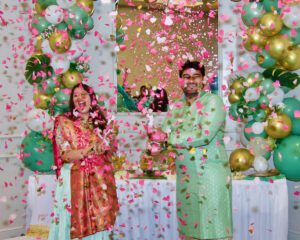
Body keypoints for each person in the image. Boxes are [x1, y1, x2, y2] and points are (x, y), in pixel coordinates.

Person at [159, 60, 233, 239]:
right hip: (186, 178)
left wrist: (167, 139)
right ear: (180, 80)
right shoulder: (176, 106)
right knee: (190, 229)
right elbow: (164, 131)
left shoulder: (214, 101)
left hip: (210, 173)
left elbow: (204, 134)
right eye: (186, 77)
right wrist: (155, 142)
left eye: (196, 77)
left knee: (214, 228)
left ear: (203, 80)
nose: (191, 80)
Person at [48, 83, 119, 240]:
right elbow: (65, 155)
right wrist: (89, 150)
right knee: (73, 222)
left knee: (101, 220)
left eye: (83, 94)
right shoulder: (64, 122)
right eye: (75, 96)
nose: (79, 98)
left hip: (100, 181)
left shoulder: (102, 122)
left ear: (91, 98)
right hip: (73, 181)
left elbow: (111, 151)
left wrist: (108, 144)